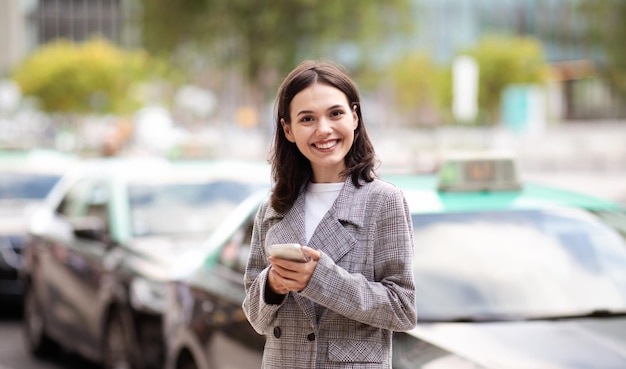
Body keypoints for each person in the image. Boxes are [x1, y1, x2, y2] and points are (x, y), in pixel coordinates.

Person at [242, 59, 417, 369]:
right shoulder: (273, 208)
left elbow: (402, 309)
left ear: (354, 116)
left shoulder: (383, 201)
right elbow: (256, 319)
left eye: (335, 114)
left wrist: (319, 279)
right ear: (288, 130)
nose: (324, 130)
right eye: (307, 118)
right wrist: (272, 285)